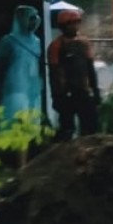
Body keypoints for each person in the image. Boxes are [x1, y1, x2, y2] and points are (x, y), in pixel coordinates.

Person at [47, 9, 101, 141]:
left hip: (83, 91)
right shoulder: (56, 46)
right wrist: (56, 97)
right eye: (70, 23)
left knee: (91, 127)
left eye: (77, 22)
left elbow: (90, 69)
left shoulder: (84, 43)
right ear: (62, 26)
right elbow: (54, 73)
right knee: (66, 129)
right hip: (66, 93)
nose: (74, 26)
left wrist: (96, 91)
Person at [0, 5, 43, 130]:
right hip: (15, 89)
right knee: (14, 122)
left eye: (35, 18)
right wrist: (3, 85)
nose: (34, 21)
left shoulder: (37, 41)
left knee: (32, 123)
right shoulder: (9, 41)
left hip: (33, 89)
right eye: (31, 18)